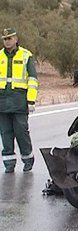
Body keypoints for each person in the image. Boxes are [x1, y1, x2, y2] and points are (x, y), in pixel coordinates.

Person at [0, 28, 38, 173]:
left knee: (21, 132)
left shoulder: (26, 55)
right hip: (2, 102)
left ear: (16, 39)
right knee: (5, 134)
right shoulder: (0, 56)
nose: (7, 41)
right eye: (5, 39)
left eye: (10, 38)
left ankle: (28, 159)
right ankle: (9, 164)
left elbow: (33, 79)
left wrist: (31, 101)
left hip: (19, 102)